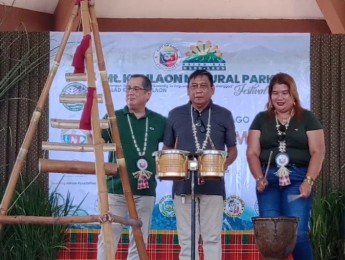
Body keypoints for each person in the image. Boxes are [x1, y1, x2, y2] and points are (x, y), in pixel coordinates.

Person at [246, 72, 325, 260]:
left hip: (298, 179)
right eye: (275, 93)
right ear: (270, 95)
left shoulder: (307, 118)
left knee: (298, 235)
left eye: (284, 93)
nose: (279, 97)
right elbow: (252, 153)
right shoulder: (261, 119)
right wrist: (259, 178)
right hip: (269, 180)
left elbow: (318, 152)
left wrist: (309, 181)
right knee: (271, 237)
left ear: (293, 95)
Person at [163, 69, 238, 260]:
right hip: (182, 184)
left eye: (203, 86)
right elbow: (168, 147)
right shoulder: (175, 114)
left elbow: (233, 149)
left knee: (212, 238)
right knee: (187, 240)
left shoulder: (224, 114)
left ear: (212, 89)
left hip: (213, 185)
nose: (198, 91)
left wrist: (224, 164)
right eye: (193, 86)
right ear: (188, 90)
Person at [97, 74, 166, 260]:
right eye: (128, 88)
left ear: (148, 94)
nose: (131, 92)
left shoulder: (159, 121)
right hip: (115, 187)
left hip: (145, 190)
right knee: (109, 236)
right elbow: (98, 141)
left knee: (139, 239)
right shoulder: (113, 117)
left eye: (136, 89)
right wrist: (93, 135)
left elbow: (171, 145)